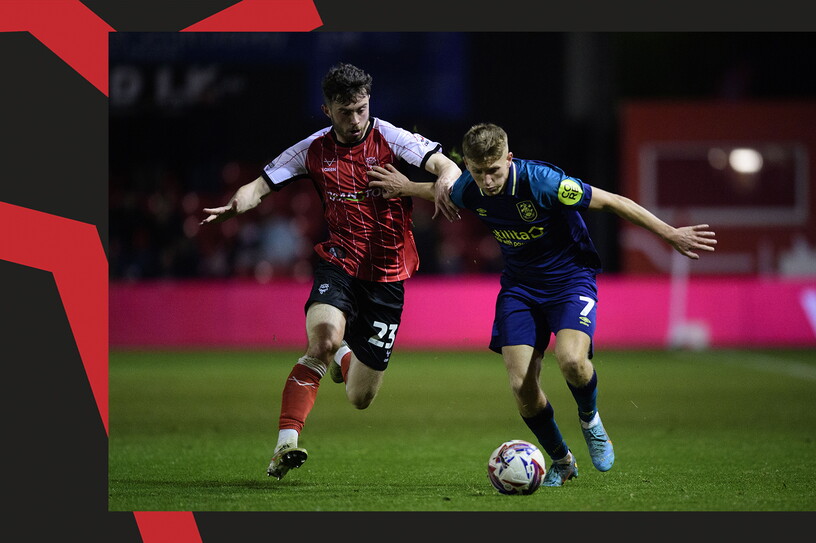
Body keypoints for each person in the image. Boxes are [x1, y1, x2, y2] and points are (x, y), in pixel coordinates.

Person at [368, 123, 716, 486]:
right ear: (468, 167)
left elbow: (614, 202)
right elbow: (444, 190)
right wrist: (405, 186)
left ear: (509, 158)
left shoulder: (545, 183)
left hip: (570, 280)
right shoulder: (471, 187)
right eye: (478, 172)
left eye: (494, 171)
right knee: (521, 386)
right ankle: (562, 460)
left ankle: (590, 419)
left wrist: (670, 233)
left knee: (572, 362)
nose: (487, 182)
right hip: (520, 288)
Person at [200, 63, 462, 480]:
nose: (355, 119)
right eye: (345, 111)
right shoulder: (312, 150)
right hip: (338, 263)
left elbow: (446, 167)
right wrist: (237, 203)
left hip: (388, 277)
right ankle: (285, 444)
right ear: (327, 110)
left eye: (361, 109)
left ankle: (345, 355)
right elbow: (260, 184)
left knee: (359, 397)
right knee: (320, 341)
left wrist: (446, 181)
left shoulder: (392, 138)